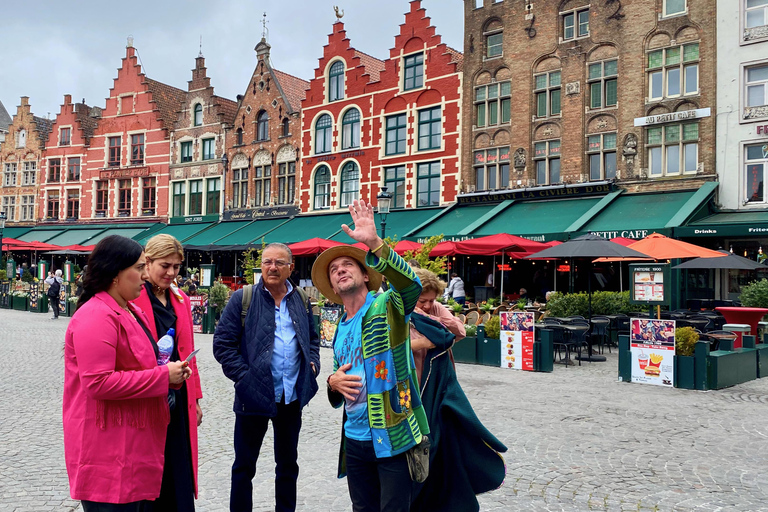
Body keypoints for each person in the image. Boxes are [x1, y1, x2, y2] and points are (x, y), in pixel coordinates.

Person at [63, 235, 192, 511]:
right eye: (138, 267)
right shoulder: (96, 315)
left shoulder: (130, 310)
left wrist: (173, 374)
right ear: (115, 274)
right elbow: (97, 383)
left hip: (131, 446)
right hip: (107, 452)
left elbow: (143, 363)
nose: (146, 275)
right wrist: (162, 377)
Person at [314, 200, 429, 512]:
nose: (340, 271)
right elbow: (339, 378)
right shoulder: (339, 328)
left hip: (393, 433)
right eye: (334, 270)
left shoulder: (387, 306)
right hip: (354, 439)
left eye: (347, 266)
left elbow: (411, 285)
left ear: (366, 276)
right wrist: (331, 381)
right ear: (334, 289)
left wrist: (375, 244)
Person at [213, 242, 320, 512]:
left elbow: (313, 339)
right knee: (244, 466)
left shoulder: (301, 299)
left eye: (279, 263)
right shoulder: (243, 298)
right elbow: (222, 345)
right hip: (253, 396)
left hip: (291, 395)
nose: (272, 268)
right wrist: (245, 378)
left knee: (287, 465)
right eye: (267, 262)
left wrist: (313, 365)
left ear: (290, 268)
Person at [408, 269, 507, 512]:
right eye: (424, 301)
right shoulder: (401, 313)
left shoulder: (432, 310)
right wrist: (426, 338)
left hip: (439, 385)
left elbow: (459, 331)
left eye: (433, 300)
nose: (430, 305)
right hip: (415, 386)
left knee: (442, 444)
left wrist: (429, 318)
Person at [130, 234, 203, 511]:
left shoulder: (180, 299)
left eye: (176, 266)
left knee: (178, 458)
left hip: (178, 391)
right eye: (165, 266)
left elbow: (188, 352)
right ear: (147, 263)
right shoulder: (135, 298)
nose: (171, 273)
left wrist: (195, 398)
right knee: (151, 460)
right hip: (150, 389)